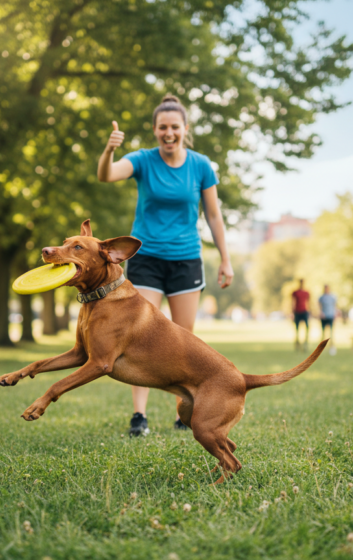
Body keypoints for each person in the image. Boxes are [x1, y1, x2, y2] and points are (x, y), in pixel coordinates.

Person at [97, 94, 234, 436]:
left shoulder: (201, 165)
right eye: (162, 127)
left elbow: (214, 215)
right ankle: (139, 416)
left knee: (183, 339)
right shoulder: (143, 160)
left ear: (185, 128)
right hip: (147, 258)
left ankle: (182, 411)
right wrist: (109, 150)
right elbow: (107, 175)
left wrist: (226, 259)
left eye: (175, 127)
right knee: (138, 336)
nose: (168, 133)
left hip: (186, 259)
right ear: (155, 129)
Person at [318, 284, 337, 355]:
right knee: (323, 333)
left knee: (331, 333)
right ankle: (321, 348)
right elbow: (319, 306)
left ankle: (332, 347)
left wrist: (335, 314)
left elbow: (334, 306)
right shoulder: (321, 297)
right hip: (324, 316)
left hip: (330, 316)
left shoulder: (332, 297)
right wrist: (321, 313)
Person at [292, 279, 310, 351]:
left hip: (304, 311)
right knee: (297, 328)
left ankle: (305, 342)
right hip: (297, 311)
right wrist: (292, 312)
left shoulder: (306, 292)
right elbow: (293, 302)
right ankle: (297, 342)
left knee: (307, 327)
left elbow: (308, 302)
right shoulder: (295, 292)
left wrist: (309, 311)